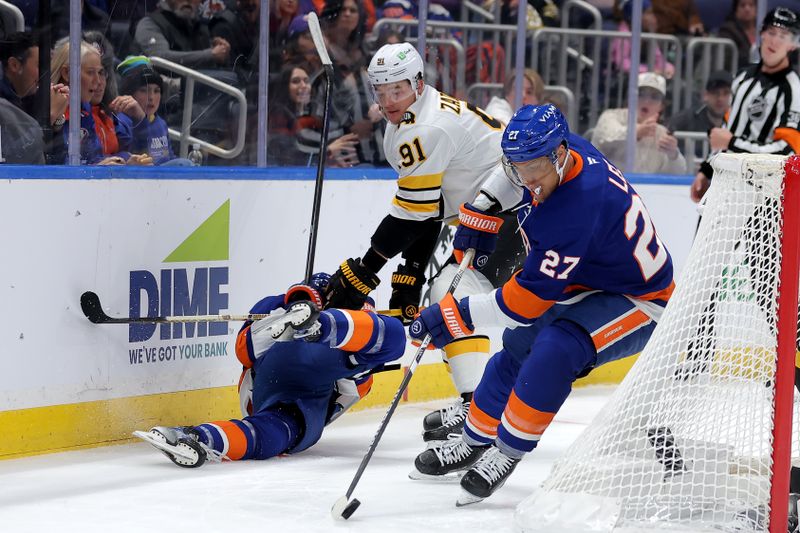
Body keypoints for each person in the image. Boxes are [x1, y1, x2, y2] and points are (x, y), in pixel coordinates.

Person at [406, 104, 674, 506]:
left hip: (639, 299)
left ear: (560, 153)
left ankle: (507, 451)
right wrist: (482, 209)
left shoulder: (576, 206)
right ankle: (474, 439)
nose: (527, 180)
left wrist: (456, 314)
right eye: (519, 168)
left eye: (535, 169)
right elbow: (512, 169)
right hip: (589, 279)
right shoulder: (561, 152)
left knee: (555, 349)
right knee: (517, 348)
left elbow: (525, 302)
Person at [323, 43, 529, 443]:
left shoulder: (423, 128)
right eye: (379, 92)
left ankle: (478, 410)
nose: (387, 101)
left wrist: (365, 270)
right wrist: (410, 272)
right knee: (451, 295)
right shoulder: (417, 114)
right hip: (498, 213)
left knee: (453, 295)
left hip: (516, 215)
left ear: (418, 83)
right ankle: (482, 403)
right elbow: (430, 207)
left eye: (396, 90)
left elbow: (412, 214)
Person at [134, 274, 406, 467]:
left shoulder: (361, 362)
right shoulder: (367, 353)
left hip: (287, 382)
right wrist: (303, 296)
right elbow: (245, 350)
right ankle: (313, 321)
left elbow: (244, 350)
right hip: (296, 389)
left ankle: (198, 438)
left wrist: (303, 301)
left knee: (272, 430)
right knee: (279, 432)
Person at [691, 6, 800, 203]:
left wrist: (733, 143)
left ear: (793, 45)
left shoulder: (793, 90)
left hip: (762, 198)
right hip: (723, 186)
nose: (774, 40)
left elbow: (788, 152)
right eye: (771, 32)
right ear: (761, 35)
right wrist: (707, 170)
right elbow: (728, 128)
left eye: (783, 35)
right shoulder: (743, 77)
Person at [592, 71, 686, 174]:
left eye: (654, 97)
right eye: (641, 94)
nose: (646, 101)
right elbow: (605, 139)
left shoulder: (662, 133)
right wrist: (635, 132)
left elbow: (680, 174)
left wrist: (673, 154)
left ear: (661, 106)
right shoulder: (610, 117)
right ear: (629, 98)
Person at [113, 56, 191, 166]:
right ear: (129, 93)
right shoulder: (121, 122)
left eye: (157, 91)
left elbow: (169, 157)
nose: (151, 97)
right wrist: (140, 119)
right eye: (144, 90)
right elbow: (121, 157)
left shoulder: (161, 123)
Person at [0, 32, 70, 136]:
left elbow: (53, 150)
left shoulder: (32, 98)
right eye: (41, 66)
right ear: (14, 65)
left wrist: (58, 119)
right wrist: (49, 117)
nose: (47, 73)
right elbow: (16, 150)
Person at [133, 0, 231, 69]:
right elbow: (159, 59)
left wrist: (221, 52)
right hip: (157, 93)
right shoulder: (150, 23)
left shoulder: (200, 28)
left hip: (198, 94)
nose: (188, 0)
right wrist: (210, 55)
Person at [668, 70, 732, 160]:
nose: (720, 98)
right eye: (715, 93)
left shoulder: (738, 122)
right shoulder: (685, 120)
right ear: (705, 95)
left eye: (726, 93)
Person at [717, 0, 758, 69]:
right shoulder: (727, 30)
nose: (747, 9)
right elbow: (728, 60)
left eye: (751, 5)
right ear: (736, 10)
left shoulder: (764, 30)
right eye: (742, 5)